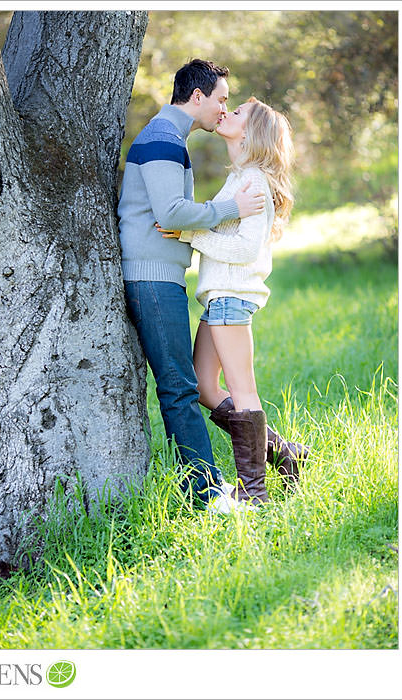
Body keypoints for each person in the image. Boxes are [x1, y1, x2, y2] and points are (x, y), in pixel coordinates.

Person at [117, 58, 265, 513]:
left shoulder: (168, 138)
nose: (223, 109)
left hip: (160, 277)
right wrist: (231, 209)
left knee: (181, 384)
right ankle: (207, 495)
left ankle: (220, 485)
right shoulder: (163, 140)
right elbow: (172, 214)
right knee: (180, 387)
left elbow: (174, 216)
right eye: (221, 99)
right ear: (196, 96)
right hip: (152, 278)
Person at [159, 97, 310, 503]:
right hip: (218, 300)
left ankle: (254, 496)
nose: (228, 112)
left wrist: (191, 234)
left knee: (243, 393)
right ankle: (286, 454)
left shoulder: (254, 181)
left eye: (238, 112)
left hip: (232, 299)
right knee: (206, 387)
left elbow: (244, 250)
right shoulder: (240, 177)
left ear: (250, 132)